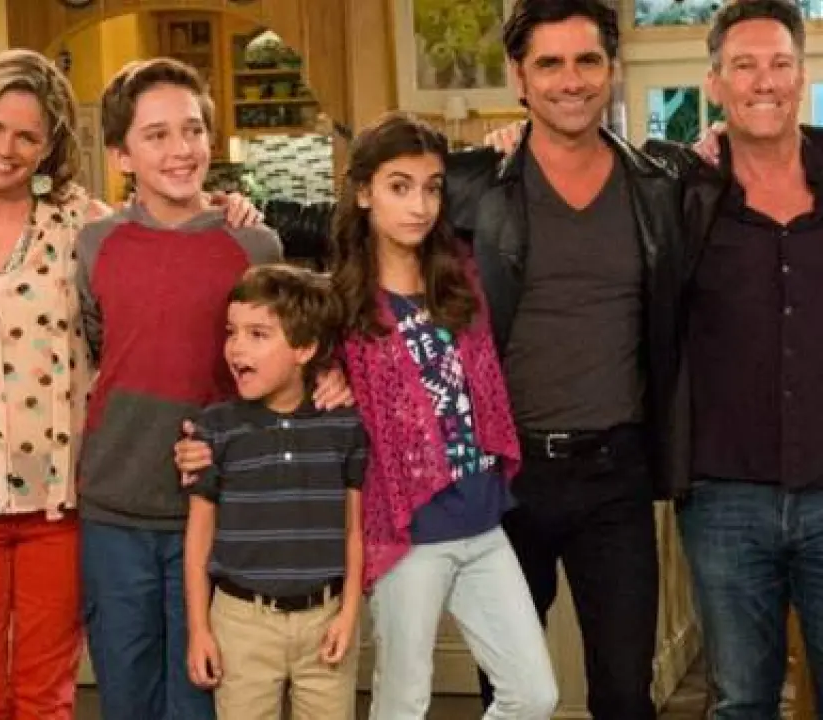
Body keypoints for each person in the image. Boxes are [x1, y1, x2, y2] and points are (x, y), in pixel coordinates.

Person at [0, 47, 264, 720]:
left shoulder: (85, 225)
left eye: (27, 135)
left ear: (50, 146)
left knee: (48, 696)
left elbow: (160, 248)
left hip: (60, 495)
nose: (7, 148)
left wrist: (226, 208)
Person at [76, 57, 349, 720]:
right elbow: (99, 344)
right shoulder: (94, 244)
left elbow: (289, 348)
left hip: (221, 508)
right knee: (125, 694)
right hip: (114, 504)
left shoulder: (254, 244)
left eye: (193, 130)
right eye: (157, 135)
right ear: (121, 154)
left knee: (200, 697)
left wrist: (331, 370)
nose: (181, 149)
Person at [448, 0, 687, 716]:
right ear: (519, 77)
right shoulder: (471, 185)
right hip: (504, 474)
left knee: (624, 694)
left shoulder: (658, 186)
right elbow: (366, 234)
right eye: (548, 63)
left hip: (617, 476)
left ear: (612, 69)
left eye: (587, 60)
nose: (571, 80)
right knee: (512, 695)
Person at [331, 113, 556, 719]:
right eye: (399, 186)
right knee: (403, 703)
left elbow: (526, 207)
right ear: (364, 192)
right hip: (408, 532)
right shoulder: (342, 306)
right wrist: (327, 381)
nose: (419, 205)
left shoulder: (465, 278)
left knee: (533, 695)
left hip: (483, 520)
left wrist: (505, 146)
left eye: (432, 188)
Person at [645, 1, 823, 714]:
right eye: (744, 65)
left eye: (780, 63)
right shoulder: (680, 196)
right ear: (715, 83)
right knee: (742, 702)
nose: (764, 81)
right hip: (723, 498)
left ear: (802, 76)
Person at [183, 264, 365, 720]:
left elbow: (353, 531)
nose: (237, 347)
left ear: (304, 348)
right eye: (232, 332)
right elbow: (199, 540)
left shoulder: (343, 426)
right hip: (241, 623)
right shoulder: (215, 429)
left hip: (325, 619)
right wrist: (199, 630)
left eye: (258, 334)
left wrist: (349, 614)